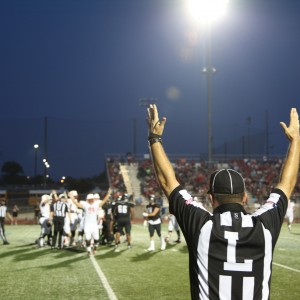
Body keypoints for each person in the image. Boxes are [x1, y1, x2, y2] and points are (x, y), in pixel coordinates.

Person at [146, 104, 300, 300]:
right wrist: (295, 141)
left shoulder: (201, 225)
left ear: (211, 198)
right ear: (244, 197)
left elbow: (168, 182)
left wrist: (154, 138)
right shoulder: (264, 226)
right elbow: (287, 184)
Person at [71, 188, 112, 255]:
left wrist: (108, 193)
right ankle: (89, 250)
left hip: (94, 225)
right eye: (90, 199)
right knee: (88, 238)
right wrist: (72, 198)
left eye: (92, 199)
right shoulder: (85, 205)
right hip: (87, 225)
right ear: (88, 200)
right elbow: (77, 204)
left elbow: (104, 201)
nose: (92, 200)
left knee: (97, 239)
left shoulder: (96, 204)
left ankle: (95, 248)